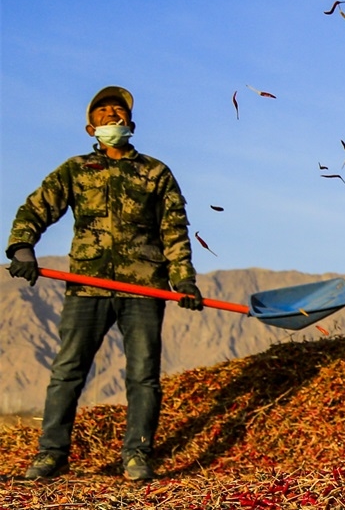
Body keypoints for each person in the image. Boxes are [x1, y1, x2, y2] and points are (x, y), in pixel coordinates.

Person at [6, 86, 204, 481]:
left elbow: (174, 230)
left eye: (118, 113)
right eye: (103, 113)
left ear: (131, 124)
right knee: (67, 370)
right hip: (87, 285)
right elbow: (37, 206)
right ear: (89, 128)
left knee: (143, 375)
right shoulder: (76, 169)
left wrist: (184, 279)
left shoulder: (156, 172)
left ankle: (136, 455)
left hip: (144, 287)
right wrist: (22, 247)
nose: (112, 117)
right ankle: (52, 454)